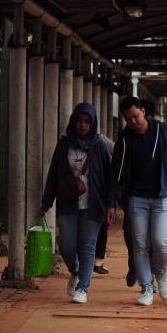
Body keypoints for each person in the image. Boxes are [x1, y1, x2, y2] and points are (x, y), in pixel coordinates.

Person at [107, 96, 167, 306]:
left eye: (135, 116)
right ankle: (146, 287)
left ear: (143, 111)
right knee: (139, 244)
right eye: (128, 119)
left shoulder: (164, 132)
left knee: (161, 242)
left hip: (163, 196)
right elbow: (115, 172)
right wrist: (111, 203)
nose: (132, 122)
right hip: (136, 199)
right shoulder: (124, 139)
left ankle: (161, 275)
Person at [41, 102, 113, 304]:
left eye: (87, 122)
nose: (83, 125)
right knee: (66, 245)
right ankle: (76, 270)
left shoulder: (99, 145)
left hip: (94, 204)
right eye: (79, 121)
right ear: (74, 121)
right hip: (68, 203)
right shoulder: (64, 144)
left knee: (87, 246)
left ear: (93, 124)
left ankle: (83, 288)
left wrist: (111, 204)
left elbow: (110, 177)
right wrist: (46, 201)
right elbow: (54, 174)